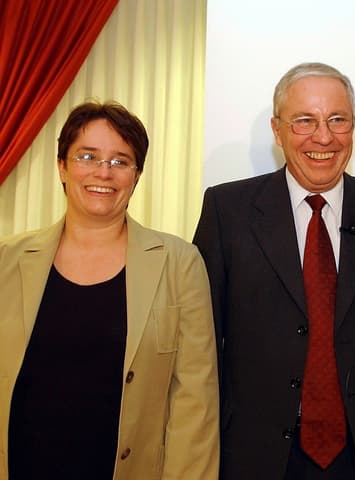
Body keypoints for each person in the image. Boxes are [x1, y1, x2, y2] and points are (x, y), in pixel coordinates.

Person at [193, 62, 355, 480]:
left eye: (337, 120)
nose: (323, 137)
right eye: (304, 120)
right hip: (256, 456)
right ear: (277, 130)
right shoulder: (227, 211)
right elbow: (201, 348)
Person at [0, 101, 219, 479]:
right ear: (62, 167)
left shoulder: (180, 264)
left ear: (136, 176)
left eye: (121, 161)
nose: (104, 172)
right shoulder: (8, 260)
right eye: (87, 156)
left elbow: (194, 404)